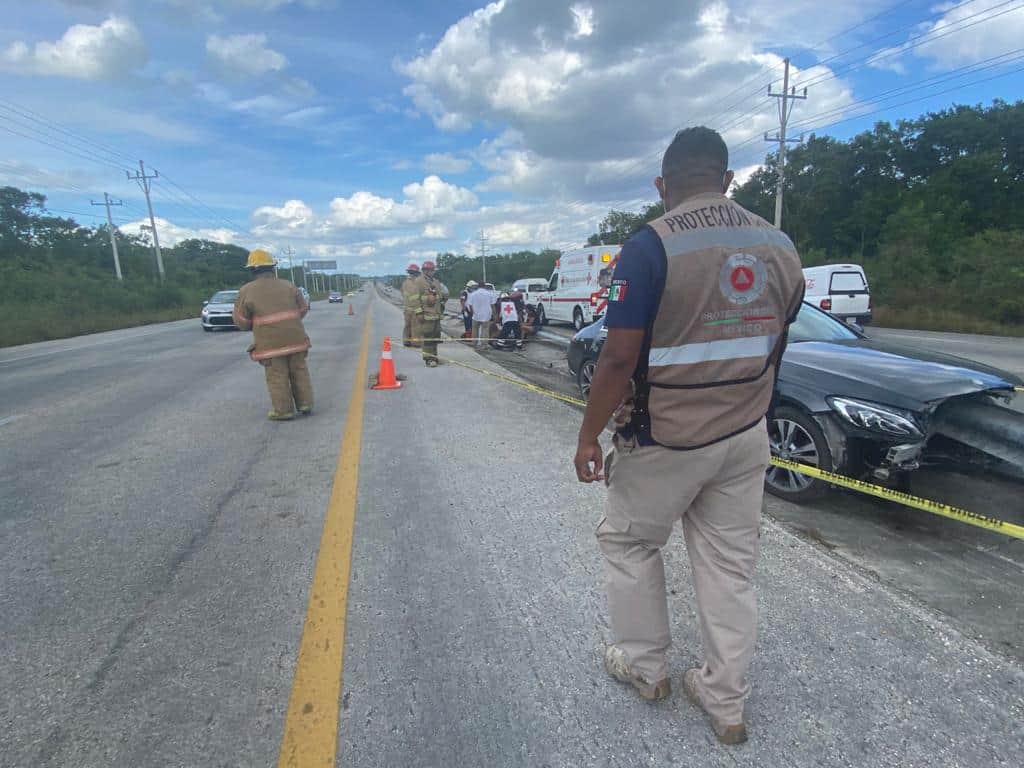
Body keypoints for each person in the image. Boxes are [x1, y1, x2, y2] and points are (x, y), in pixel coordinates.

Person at [573, 127, 804, 745]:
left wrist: (588, 436)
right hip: (745, 432)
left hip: (666, 440)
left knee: (630, 546)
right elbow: (778, 338)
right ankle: (725, 702)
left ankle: (647, 670)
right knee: (730, 569)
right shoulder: (779, 244)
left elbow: (619, 359)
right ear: (727, 180)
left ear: (662, 185)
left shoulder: (651, 245)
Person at [232, 248, 314, 421]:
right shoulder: (289, 286)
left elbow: (241, 320)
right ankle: (305, 403)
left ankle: (283, 411)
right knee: (299, 370)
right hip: (296, 339)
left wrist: (252, 325)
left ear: (252, 270)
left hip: (270, 344)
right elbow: (303, 309)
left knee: (277, 376)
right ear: (272, 267)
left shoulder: (246, 291)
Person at [411, 260, 446, 367]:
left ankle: (434, 357)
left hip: (436, 315)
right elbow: (414, 299)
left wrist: (443, 300)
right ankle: (428, 359)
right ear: (425, 270)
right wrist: (419, 313)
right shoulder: (418, 282)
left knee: (435, 338)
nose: (432, 272)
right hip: (426, 314)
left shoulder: (435, 282)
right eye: (430, 270)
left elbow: (439, 296)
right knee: (427, 338)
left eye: (433, 270)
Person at [467, 280, 497, 348]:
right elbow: (493, 306)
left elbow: (470, 305)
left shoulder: (473, 294)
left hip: (476, 315)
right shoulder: (489, 294)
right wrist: (495, 315)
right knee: (485, 329)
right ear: (484, 286)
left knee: (475, 329)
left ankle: (474, 343)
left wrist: (472, 313)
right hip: (486, 315)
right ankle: (484, 344)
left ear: (478, 286)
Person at [401, 262, 422, 347]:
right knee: (416, 327)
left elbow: (403, 294)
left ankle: (406, 341)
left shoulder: (405, 282)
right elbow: (416, 297)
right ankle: (416, 343)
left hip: (407, 309)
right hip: (414, 309)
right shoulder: (415, 283)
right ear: (416, 273)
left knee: (407, 326)